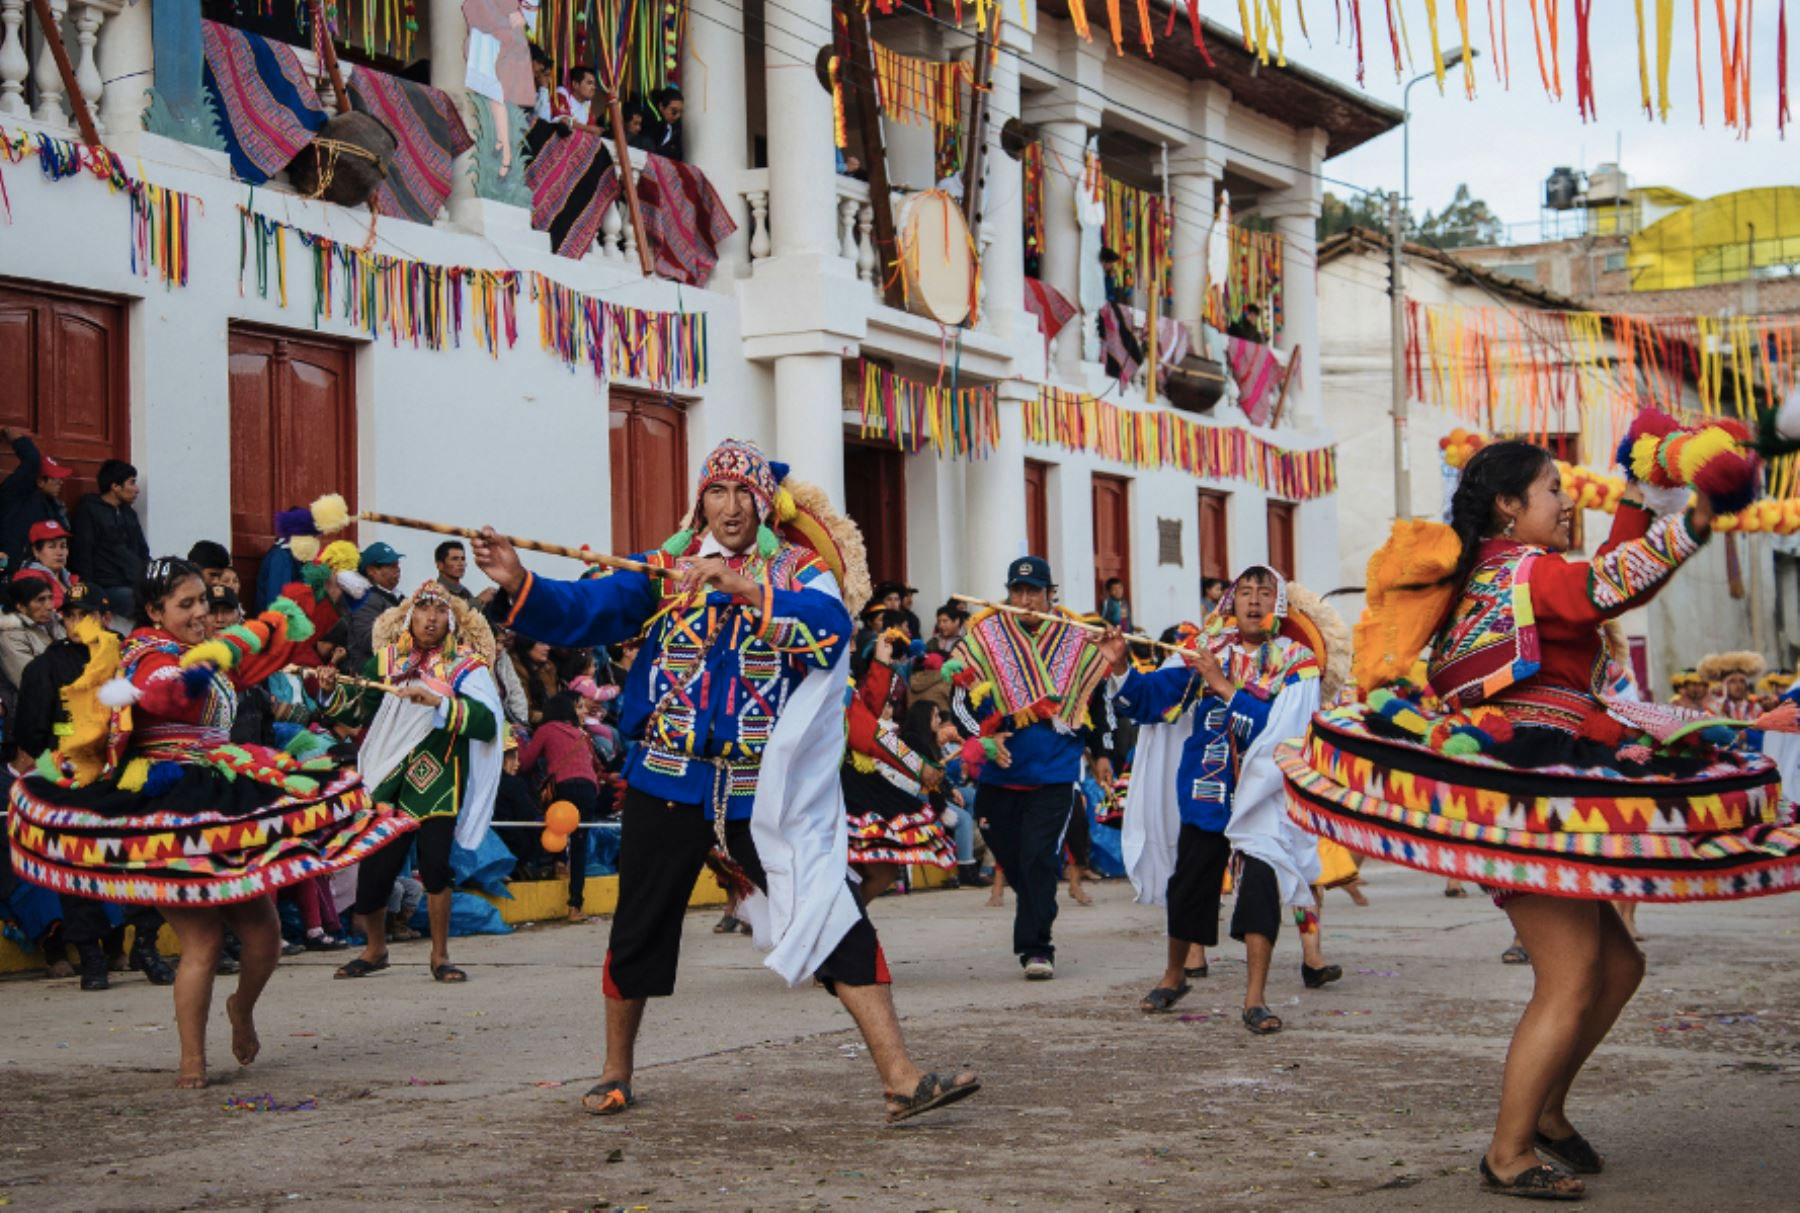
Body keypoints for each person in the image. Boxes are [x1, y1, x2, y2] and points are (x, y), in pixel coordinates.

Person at [1277, 438, 1800, 1199]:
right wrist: (1698, 520)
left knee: (1620, 965)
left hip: (1553, 778)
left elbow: (1600, 581)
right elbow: (1606, 584)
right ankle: (1508, 1151)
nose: (1565, 502)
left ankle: (1548, 1111)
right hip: (1528, 786)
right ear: (1508, 507)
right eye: (1553, 488)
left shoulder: (1512, 571)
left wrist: (1643, 494)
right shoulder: (1518, 572)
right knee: (1571, 974)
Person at [472, 438, 979, 1122]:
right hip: (668, 775)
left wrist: (748, 587)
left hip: (760, 786)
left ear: (766, 503)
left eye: (745, 494)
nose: (732, 507)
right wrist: (516, 580)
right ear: (700, 499)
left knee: (831, 909)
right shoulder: (663, 568)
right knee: (639, 924)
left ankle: (902, 1076)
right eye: (718, 492)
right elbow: (587, 609)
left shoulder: (800, 570)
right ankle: (614, 1071)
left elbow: (830, 631)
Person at [6, 559, 405, 1084]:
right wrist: (203, 665)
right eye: (185, 605)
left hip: (224, 794)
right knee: (203, 942)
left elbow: (265, 650)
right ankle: (191, 1060)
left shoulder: (205, 656)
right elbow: (170, 692)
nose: (200, 615)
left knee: (263, 939)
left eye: (204, 603)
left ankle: (241, 1007)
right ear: (154, 610)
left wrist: (306, 594)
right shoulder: (149, 656)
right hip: (171, 809)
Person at [1107, 569, 1344, 1030]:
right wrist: (1121, 667)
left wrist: (1225, 687)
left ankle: (1254, 999)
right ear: (1231, 602)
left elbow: (1285, 734)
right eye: (1246, 593)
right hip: (1207, 789)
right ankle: (1174, 975)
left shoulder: (1298, 664)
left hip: (1262, 797)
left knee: (1258, 891)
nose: (1253, 601)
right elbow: (1155, 698)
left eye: (1265, 593)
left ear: (1279, 604)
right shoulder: (1206, 649)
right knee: (1188, 886)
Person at [946, 556, 1119, 980]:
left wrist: (1101, 753)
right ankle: (1041, 904)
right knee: (1013, 858)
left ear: (1049, 594)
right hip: (999, 771)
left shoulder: (1077, 638)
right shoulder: (985, 635)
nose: (1025, 600)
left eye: (1034, 592)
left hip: (1054, 771)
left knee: (1039, 857)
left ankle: (1036, 948)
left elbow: (1095, 699)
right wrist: (982, 740)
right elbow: (959, 699)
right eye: (1018, 591)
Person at [324, 582, 503, 984]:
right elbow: (358, 711)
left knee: (436, 867)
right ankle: (375, 950)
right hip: (388, 778)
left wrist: (440, 702)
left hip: (438, 777)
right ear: (409, 617)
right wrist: (329, 688)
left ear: (452, 621)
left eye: (439, 612)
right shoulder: (385, 663)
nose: (431, 618)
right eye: (423, 610)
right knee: (374, 872)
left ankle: (440, 956)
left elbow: (488, 721)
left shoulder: (465, 667)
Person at [843, 635, 957, 903]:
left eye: (852, 639)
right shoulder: (830, 686)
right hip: (839, 785)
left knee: (878, 873)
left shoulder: (841, 684)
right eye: (847, 640)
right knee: (874, 873)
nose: (854, 647)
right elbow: (867, 732)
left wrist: (881, 665)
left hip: (854, 780)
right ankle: (844, 931)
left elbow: (868, 713)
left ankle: (844, 930)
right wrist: (919, 766)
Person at [518, 689, 603, 922]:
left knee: (553, 824)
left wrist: (517, 740)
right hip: (588, 789)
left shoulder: (546, 730)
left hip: (564, 787)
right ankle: (575, 906)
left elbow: (525, 763)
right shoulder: (580, 734)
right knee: (580, 845)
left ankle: (556, 865)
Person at [68, 459, 148, 619]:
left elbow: (142, 550)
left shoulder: (129, 513)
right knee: (136, 602)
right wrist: (90, 593)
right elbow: (83, 552)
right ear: (115, 486)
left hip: (134, 582)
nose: (137, 490)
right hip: (107, 586)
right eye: (132, 483)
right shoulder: (89, 510)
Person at [0, 427, 73, 570]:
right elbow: (32, 460)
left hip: (42, 574)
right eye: (55, 479)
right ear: (40, 481)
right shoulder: (15, 494)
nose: (60, 482)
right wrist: (14, 436)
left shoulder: (54, 505)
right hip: (10, 572)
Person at [344, 541, 405, 671]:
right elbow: (368, 640)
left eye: (397, 564)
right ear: (371, 571)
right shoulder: (363, 600)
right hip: (372, 676)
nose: (397, 568)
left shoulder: (400, 598)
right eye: (390, 565)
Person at [0, 575, 64, 694]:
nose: (50, 606)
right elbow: (32, 684)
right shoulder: (10, 637)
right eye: (40, 600)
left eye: (50, 598)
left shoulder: (56, 623)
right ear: (21, 607)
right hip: (38, 706)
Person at [17, 519, 80, 609]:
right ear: (36, 551)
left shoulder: (72, 580)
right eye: (52, 546)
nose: (60, 553)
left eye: (63, 546)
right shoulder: (28, 580)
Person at [1699, 651, 1764, 722]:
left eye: (1742, 681)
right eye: (1732, 681)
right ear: (1724, 685)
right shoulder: (1714, 708)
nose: (1739, 686)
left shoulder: (1756, 708)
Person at [435, 540, 482, 606]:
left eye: (463, 559)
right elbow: (451, 613)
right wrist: (479, 600)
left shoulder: (464, 592)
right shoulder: (434, 592)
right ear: (440, 565)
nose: (461, 563)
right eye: (455, 559)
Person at [645, 85, 684, 160]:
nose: (678, 116)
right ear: (661, 107)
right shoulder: (650, 120)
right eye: (674, 111)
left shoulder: (676, 129)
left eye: (681, 112)